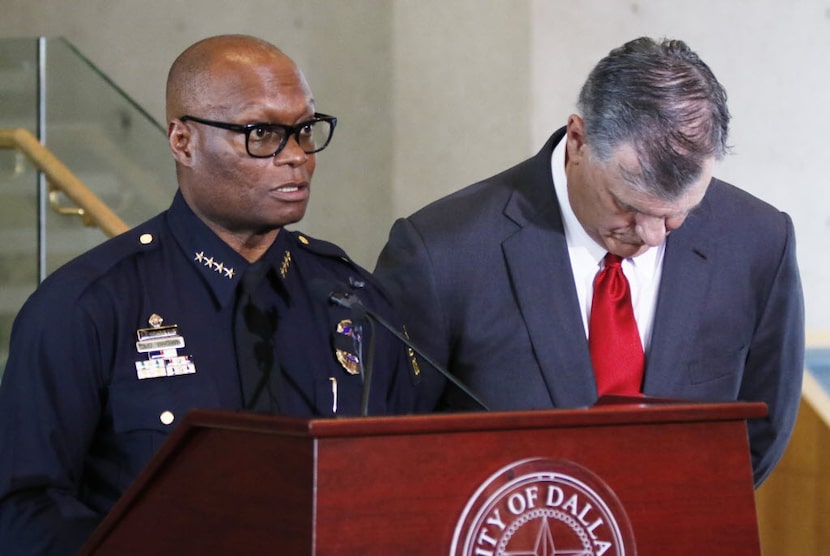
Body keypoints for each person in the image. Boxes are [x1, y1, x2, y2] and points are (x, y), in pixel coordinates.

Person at [0, 34, 418, 554]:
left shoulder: (352, 299)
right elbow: (27, 508)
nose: (298, 158)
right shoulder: (87, 305)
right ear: (182, 141)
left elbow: (407, 483)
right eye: (262, 133)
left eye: (305, 130)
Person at [374, 37, 804, 488]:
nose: (652, 235)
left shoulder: (759, 242)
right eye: (627, 206)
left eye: (679, 213)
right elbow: (389, 449)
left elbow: (758, 435)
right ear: (578, 140)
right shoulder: (442, 253)